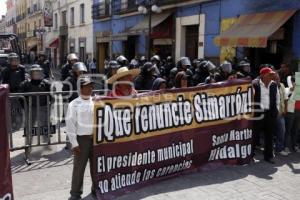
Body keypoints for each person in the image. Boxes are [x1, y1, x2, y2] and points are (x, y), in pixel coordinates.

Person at [66, 76, 95, 200]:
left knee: (96, 167)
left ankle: (96, 189)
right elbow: (70, 125)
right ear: (80, 88)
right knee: (79, 168)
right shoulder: (74, 104)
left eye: (91, 86)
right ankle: (75, 193)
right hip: (81, 140)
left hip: (95, 140)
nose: (90, 88)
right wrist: (74, 143)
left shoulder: (95, 101)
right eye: (87, 86)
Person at [252, 67, 279, 164]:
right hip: (258, 113)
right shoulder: (255, 84)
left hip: (270, 114)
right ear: (263, 75)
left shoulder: (274, 85)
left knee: (269, 136)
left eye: (272, 74)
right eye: (269, 74)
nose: (272, 76)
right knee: (255, 135)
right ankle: (250, 155)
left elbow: (277, 98)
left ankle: (268, 156)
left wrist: (277, 110)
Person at [272, 72, 289, 156]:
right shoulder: (270, 86)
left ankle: (279, 148)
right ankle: (271, 148)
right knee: (271, 131)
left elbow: (285, 98)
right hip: (272, 113)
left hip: (280, 113)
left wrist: (285, 109)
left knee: (282, 130)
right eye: (275, 78)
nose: (277, 80)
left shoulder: (282, 85)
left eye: (278, 78)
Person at [285, 75, 300, 153]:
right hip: (290, 112)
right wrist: (292, 89)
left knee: (296, 130)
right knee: (288, 130)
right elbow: (286, 98)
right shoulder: (287, 90)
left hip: (298, 112)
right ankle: (286, 146)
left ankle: (294, 145)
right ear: (292, 82)